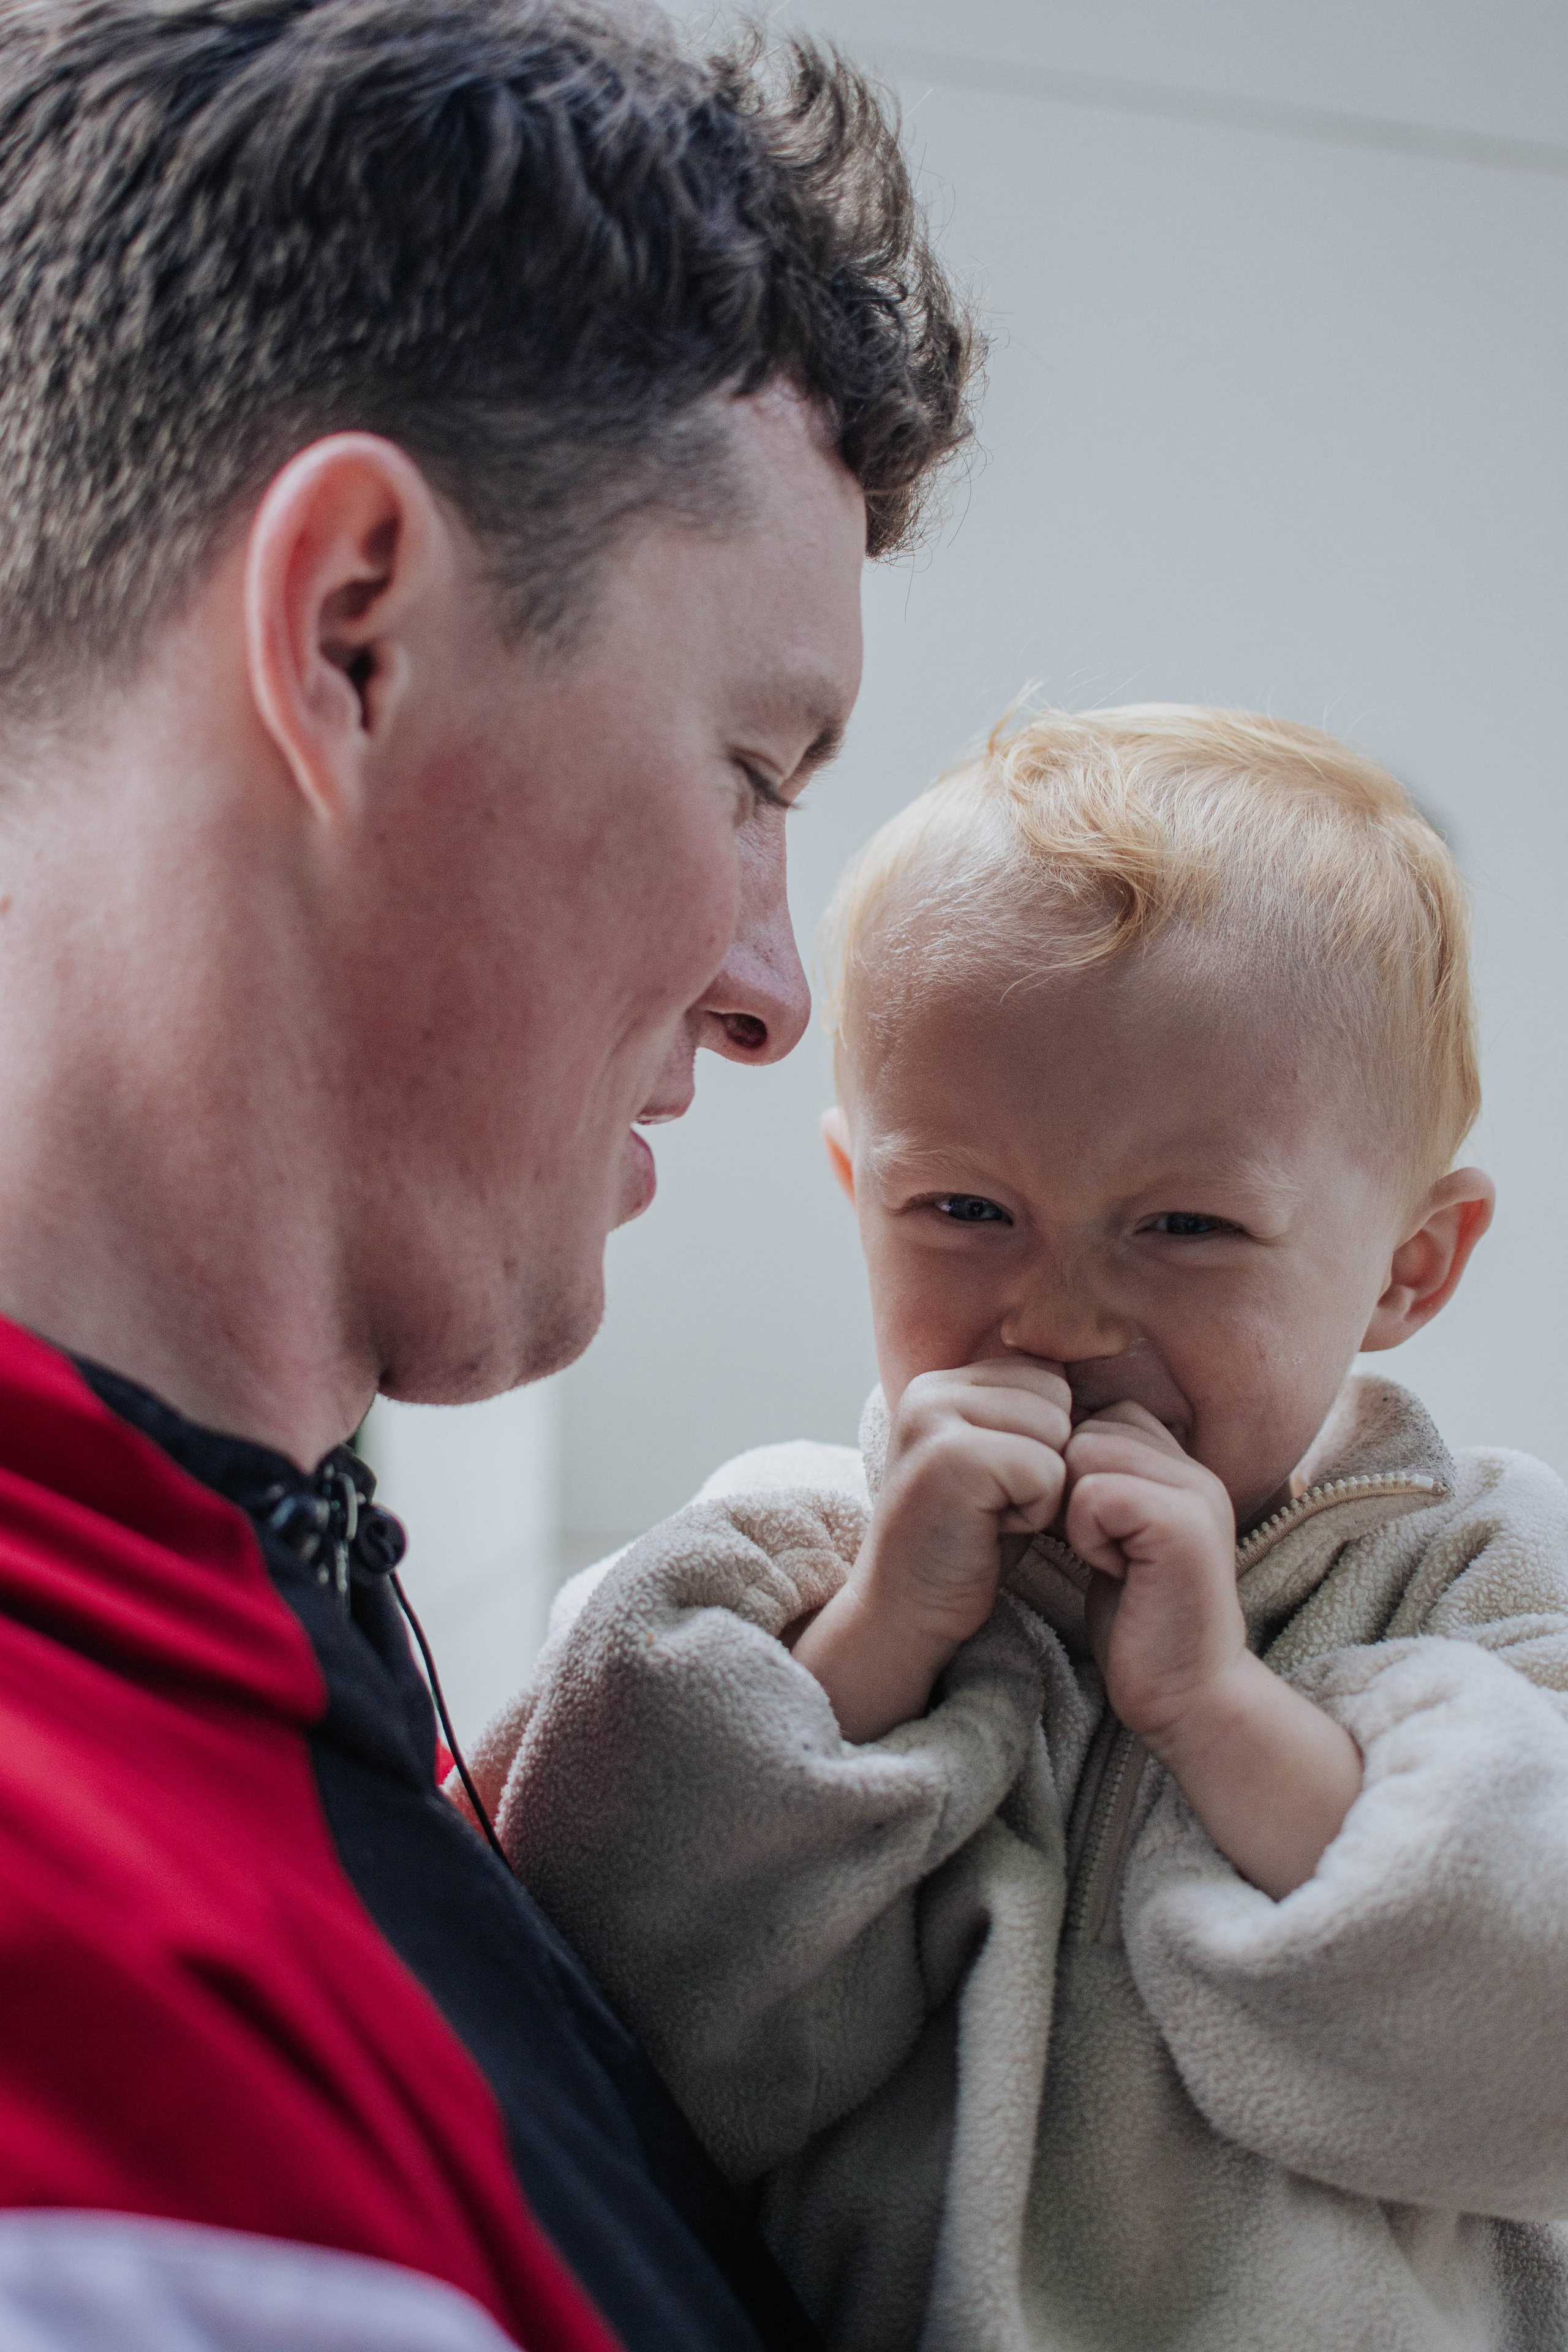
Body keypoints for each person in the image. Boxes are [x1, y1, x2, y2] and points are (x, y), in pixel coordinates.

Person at [0, 3, 980, 2346]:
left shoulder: (286, 1681)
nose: (775, 990)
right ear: (353, 632)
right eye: (752, 765)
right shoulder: (83, 1994)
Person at [481, 706, 1568, 2351]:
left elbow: (1535, 2049)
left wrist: (1226, 1718)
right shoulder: (787, 1566)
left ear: (1413, 1268)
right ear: (859, 1191)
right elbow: (578, 1989)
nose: (1056, 1316)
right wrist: (872, 1657)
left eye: (1187, 1228)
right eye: (964, 1212)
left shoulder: (1477, 1575)